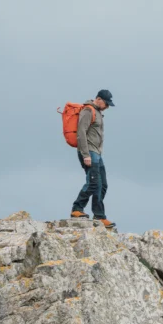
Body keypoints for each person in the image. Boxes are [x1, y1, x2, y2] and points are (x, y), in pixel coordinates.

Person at [71, 89, 116, 228]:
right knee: (94, 183)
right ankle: (77, 209)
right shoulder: (88, 111)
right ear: (98, 99)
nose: (107, 107)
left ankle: (99, 216)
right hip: (89, 153)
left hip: (97, 153)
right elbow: (81, 133)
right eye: (106, 103)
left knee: (103, 185)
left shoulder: (98, 113)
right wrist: (86, 155)